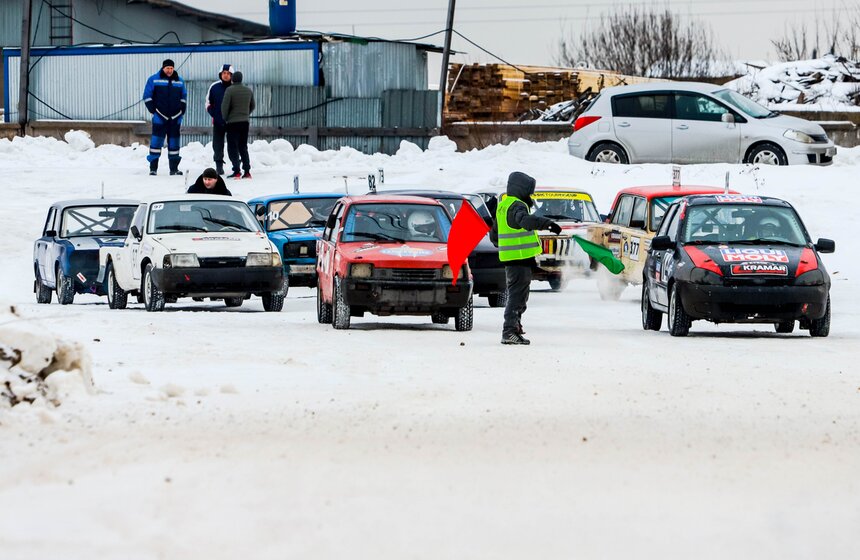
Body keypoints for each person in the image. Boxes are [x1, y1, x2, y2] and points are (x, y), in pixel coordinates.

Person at [494, 171, 561, 345]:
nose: (531, 195)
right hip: (518, 260)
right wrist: (547, 223)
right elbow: (524, 221)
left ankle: (514, 327)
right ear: (521, 189)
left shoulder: (503, 205)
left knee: (519, 296)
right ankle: (509, 331)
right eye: (529, 191)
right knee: (517, 297)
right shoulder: (517, 206)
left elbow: (494, 236)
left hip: (513, 260)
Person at [142, 59, 187, 176]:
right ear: (163, 68)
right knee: (156, 143)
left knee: (174, 144)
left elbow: (184, 97)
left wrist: (182, 111)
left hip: (175, 118)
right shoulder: (153, 79)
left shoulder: (180, 81)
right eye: (167, 68)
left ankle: (174, 169)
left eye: (171, 68)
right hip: (159, 117)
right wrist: (153, 111)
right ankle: (153, 168)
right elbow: (147, 96)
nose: (169, 70)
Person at [221, 70, 256, 179]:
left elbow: (224, 107)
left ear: (232, 79)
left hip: (232, 122)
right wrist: (246, 114)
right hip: (245, 122)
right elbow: (253, 105)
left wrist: (225, 118)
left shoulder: (229, 90)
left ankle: (236, 170)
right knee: (243, 146)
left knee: (232, 147)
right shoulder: (248, 91)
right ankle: (247, 171)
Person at [206, 64, 234, 176]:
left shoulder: (235, 87)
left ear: (231, 75)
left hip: (233, 122)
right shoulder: (214, 87)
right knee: (217, 145)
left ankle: (235, 166)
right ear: (220, 74)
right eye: (224, 73)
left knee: (233, 144)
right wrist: (214, 115)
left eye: (228, 73)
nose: (226, 75)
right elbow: (208, 103)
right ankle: (219, 166)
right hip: (218, 121)